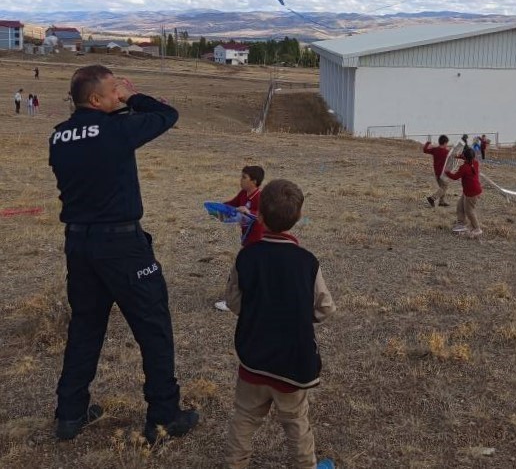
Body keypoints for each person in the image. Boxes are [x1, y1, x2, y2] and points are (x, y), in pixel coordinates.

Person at [48, 65, 198, 444]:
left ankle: (70, 413)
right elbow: (167, 114)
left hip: (79, 245)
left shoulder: (59, 137)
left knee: (85, 326)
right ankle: (164, 414)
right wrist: (133, 99)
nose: (120, 94)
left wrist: (119, 105)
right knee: (154, 327)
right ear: (96, 99)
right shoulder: (115, 130)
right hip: (121, 245)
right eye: (114, 90)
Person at [224, 179, 336, 469]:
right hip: (293, 362)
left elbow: (235, 303)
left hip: (253, 358)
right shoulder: (307, 262)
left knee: (244, 418)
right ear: (298, 217)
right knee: (297, 422)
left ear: (258, 216)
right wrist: (298, 314)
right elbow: (324, 309)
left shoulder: (246, 257)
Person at [214, 165, 265, 312]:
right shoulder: (243, 194)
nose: (240, 180)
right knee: (248, 269)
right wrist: (219, 208)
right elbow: (232, 204)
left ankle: (232, 301)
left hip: (257, 240)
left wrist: (249, 211)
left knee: (239, 269)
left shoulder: (259, 197)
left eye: (244, 177)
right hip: (246, 239)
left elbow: (262, 213)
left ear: (254, 181)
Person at [445, 146, 483, 238]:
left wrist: (446, 172)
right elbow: (467, 157)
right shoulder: (475, 162)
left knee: (469, 211)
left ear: (465, 157)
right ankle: (461, 224)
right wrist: (457, 156)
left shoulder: (464, 167)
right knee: (460, 206)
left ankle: (477, 229)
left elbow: (455, 177)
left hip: (472, 193)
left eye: (463, 155)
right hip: (469, 191)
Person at [423, 134, 451, 207]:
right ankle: (432, 198)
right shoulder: (446, 152)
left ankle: (441, 202)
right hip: (443, 174)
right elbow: (456, 156)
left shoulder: (435, 149)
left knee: (442, 187)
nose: (447, 145)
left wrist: (428, 143)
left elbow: (425, 150)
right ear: (445, 143)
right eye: (447, 143)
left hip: (437, 173)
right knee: (444, 188)